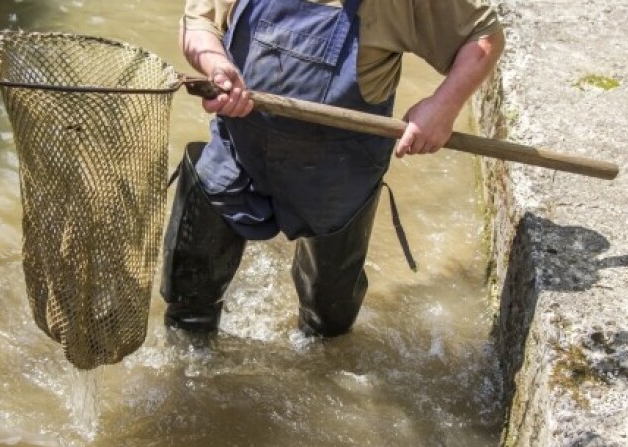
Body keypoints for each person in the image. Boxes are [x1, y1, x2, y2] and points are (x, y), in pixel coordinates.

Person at [160, 0, 504, 337]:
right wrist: (216, 64)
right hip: (238, 149)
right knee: (187, 304)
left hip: (337, 172)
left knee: (327, 325)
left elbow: (483, 35)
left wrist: (443, 107)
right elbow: (198, 22)